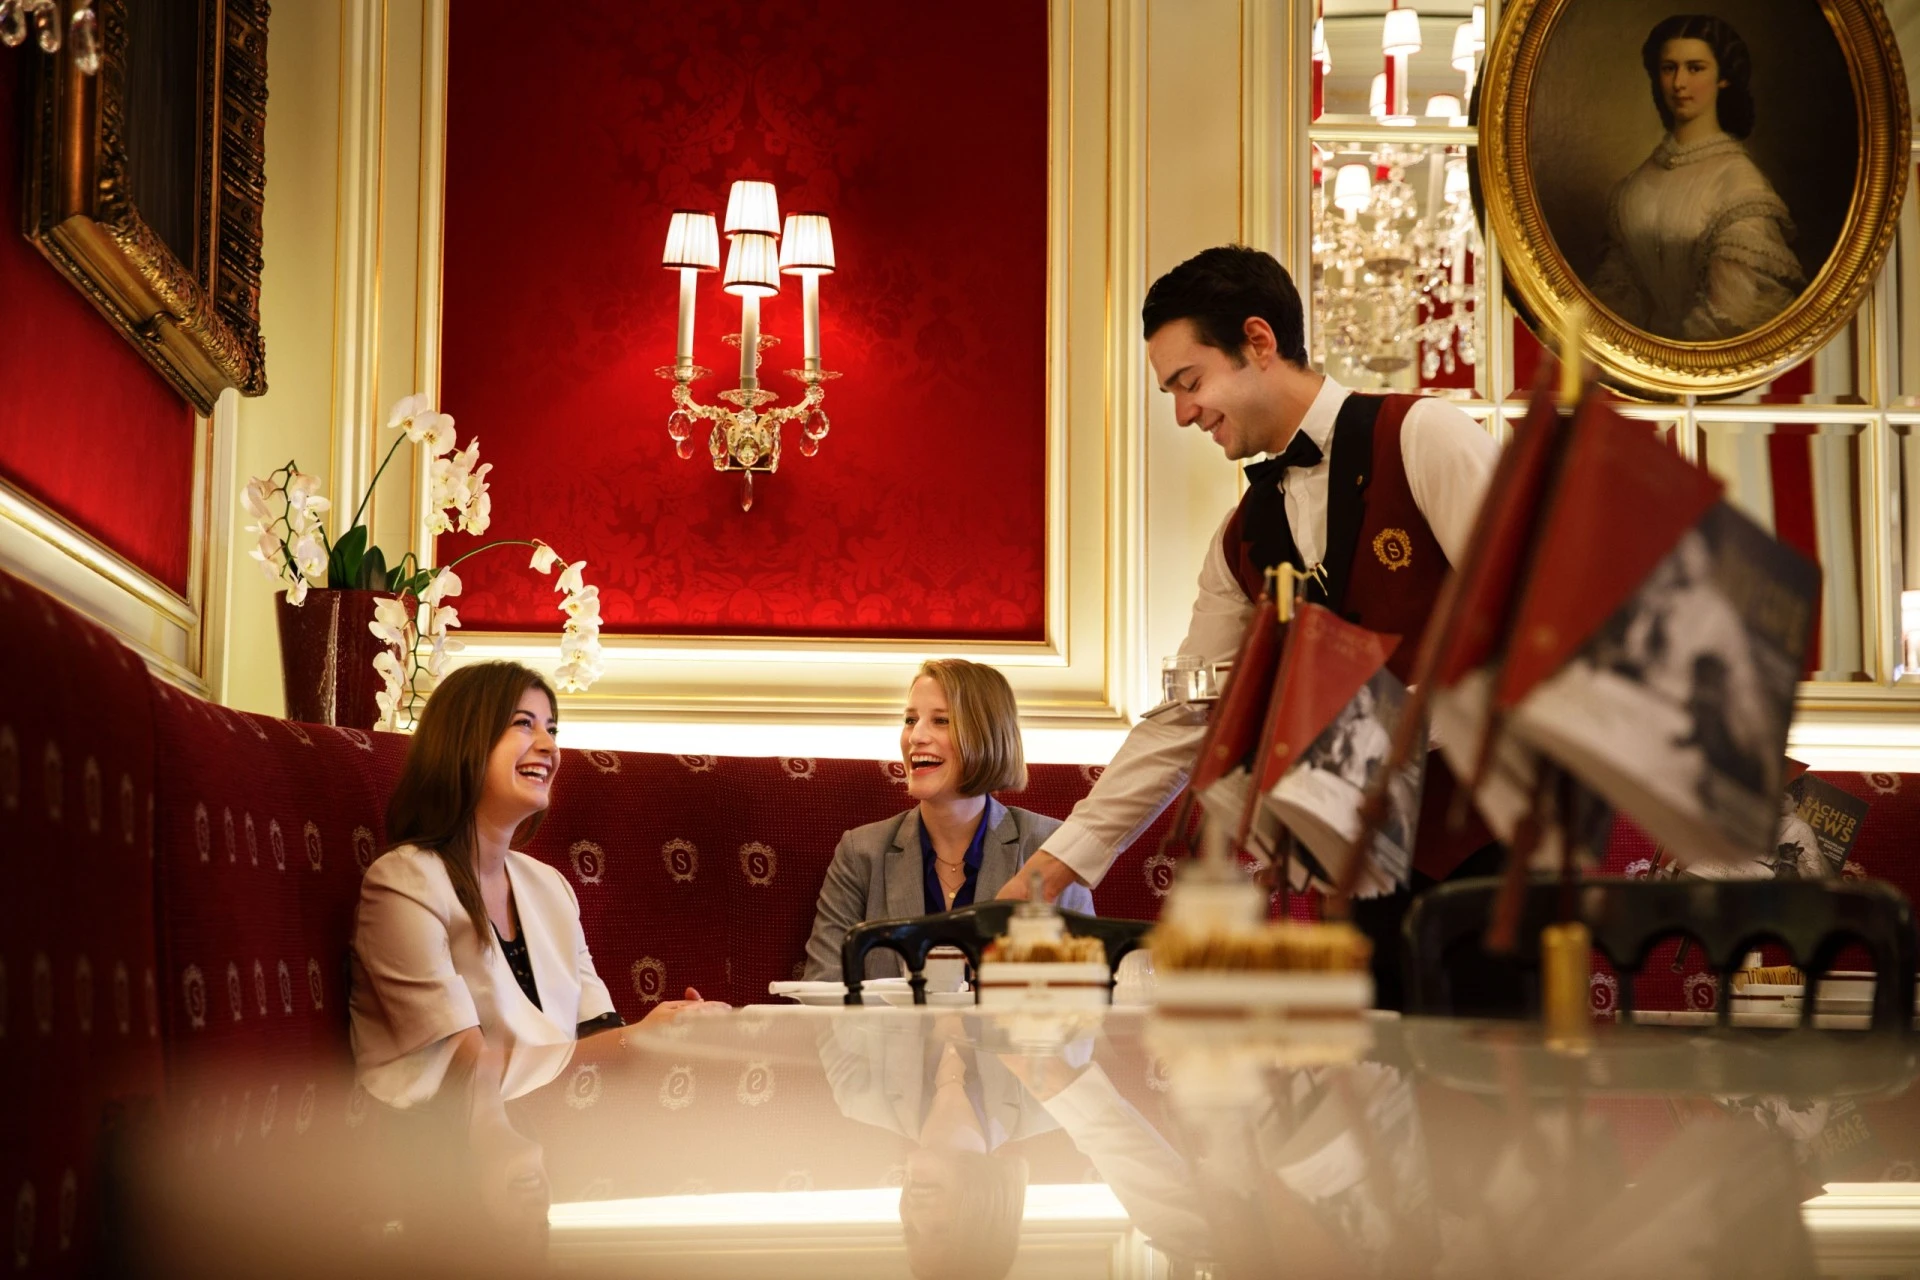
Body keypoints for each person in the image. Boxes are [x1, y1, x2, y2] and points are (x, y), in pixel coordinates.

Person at [997, 245, 1501, 1010]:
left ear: (1258, 343)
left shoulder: (1422, 436)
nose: (1181, 412)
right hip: (1363, 871)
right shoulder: (1239, 540)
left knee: (1503, 1110)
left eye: (1189, 382)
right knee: (1398, 1108)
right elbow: (1185, 716)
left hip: (1498, 849)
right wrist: (1052, 870)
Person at [349, 663, 705, 1228]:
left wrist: (680, 1031)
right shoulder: (403, 880)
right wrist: (639, 1038)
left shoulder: (549, 886)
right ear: (463, 740)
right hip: (426, 1162)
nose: (549, 746)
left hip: (535, 1129)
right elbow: (467, 1069)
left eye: (553, 729)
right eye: (524, 723)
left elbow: (600, 1037)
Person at [803, 659, 1095, 982]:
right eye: (910, 720)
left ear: (986, 735)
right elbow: (820, 997)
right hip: (884, 1035)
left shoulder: (1050, 846)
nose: (916, 736)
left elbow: (1085, 996)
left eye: (940, 720)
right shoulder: (860, 854)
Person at [1586, 14, 1804, 340]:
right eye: (1669, 68)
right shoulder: (1632, 188)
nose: (1679, 84)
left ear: (1723, 78)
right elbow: (1616, 296)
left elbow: (1734, 314)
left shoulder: (1740, 185)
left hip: (1710, 369)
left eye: (1695, 68)